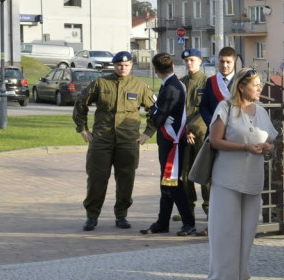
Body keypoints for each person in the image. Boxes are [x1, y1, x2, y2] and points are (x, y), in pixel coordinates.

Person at [205, 68, 278, 280]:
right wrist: (245, 147)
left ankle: (242, 277)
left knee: (247, 231)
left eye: (260, 84)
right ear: (241, 86)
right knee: (225, 230)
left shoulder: (262, 111)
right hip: (227, 177)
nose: (260, 88)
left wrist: (268, 147)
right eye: (255, 84)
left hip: (253, 178)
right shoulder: (225, 108)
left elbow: (272, 142)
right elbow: (215, 141)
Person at [73, 51, 155, 231]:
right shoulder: (101, 84)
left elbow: (154, 111)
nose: (122, 68)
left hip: (128, 141)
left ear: (131, 65)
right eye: (119, 65)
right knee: (96, 178)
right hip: (102, 139)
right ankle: (92, 216)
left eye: (126, 65)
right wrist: (83, 129)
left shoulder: (140, 86)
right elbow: (80, 104)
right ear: (114, 65)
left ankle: (121, 215)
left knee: (126, 179)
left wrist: (148, 133)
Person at [140, 53, 198, 236]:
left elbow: (158, 118)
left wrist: (154, 111)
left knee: (172, 182)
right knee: (166, 182)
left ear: (155, 70)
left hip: (172, 142)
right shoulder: (173, 83)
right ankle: (162, 222)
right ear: (172, 66)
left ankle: (189, 222)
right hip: (168, 140)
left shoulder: (172, 87)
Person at [178, 48, 209, 225]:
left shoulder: (208, 83)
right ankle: (187, 210)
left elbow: (208, 109)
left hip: (202, 135)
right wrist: (185, 130)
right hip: (184, 135)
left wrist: (192, 128)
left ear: (200, 61)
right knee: (185, 175)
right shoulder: (181, 83)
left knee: (204, 175)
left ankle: (209, 209)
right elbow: (178, 110)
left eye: (192, 60)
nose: (189, 63)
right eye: (187, 60)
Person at [199, 46, 237, 126]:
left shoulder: (240, 81)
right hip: (214, 128)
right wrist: (212, 123)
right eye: (222, 61)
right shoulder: (211, 81)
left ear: (234, 62)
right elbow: (204, 106)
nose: (224, 65)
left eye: (228, 62)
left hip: (235, 129)